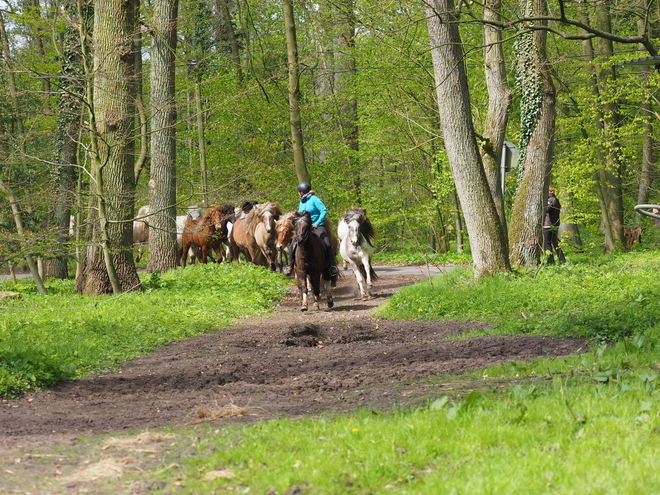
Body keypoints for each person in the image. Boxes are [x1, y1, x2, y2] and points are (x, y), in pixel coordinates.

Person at [283, 182, 340, 277]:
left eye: (299, 192)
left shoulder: (315, 199)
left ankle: (332, 266)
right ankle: (290, 266)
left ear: (301, 192)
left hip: (317, 226)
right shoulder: (302, 201)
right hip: (304, 228)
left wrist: (317, 222)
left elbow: (324, 210)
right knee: (293, 243)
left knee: (327, 243)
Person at [544, 187, 566, 264]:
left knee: (547, 243)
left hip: (548, 224)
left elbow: (547, 209)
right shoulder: (556, 199)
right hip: (555, 224)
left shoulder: (550, 200)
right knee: (554, 242)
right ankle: (562, 260)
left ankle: (550, 261)